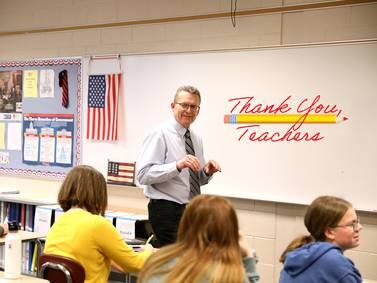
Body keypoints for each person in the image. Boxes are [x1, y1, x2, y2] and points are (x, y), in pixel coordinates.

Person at [137, 85, 221, 247]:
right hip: (166, 210)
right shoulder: (159, 134)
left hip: (191, 210)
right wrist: (176, 165)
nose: (189, 110)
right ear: (173, 106)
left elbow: (196, 180)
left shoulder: (196, 138)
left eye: (193, 107)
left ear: (198, 110)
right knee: (176, 265)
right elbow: (143, 175)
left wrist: (206, 172)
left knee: (191, 260)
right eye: (184, 105)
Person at [44, 165, 153, 283]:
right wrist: (149, 249)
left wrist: (109, 259)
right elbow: (136, 264)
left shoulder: (59, 221)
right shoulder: (98, 224)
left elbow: (79, 258)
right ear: (98, 194)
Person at [137, 195, 259, 283]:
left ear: (184, 223)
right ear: (230, 230)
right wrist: (248, 257)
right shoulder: (229, 275)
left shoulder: (157, 261)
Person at [279, 195, 362, 283]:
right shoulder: (336, 264)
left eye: (357, 221)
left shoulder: (298, 253)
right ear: (330, 232)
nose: (359, 227)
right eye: (352, 224)